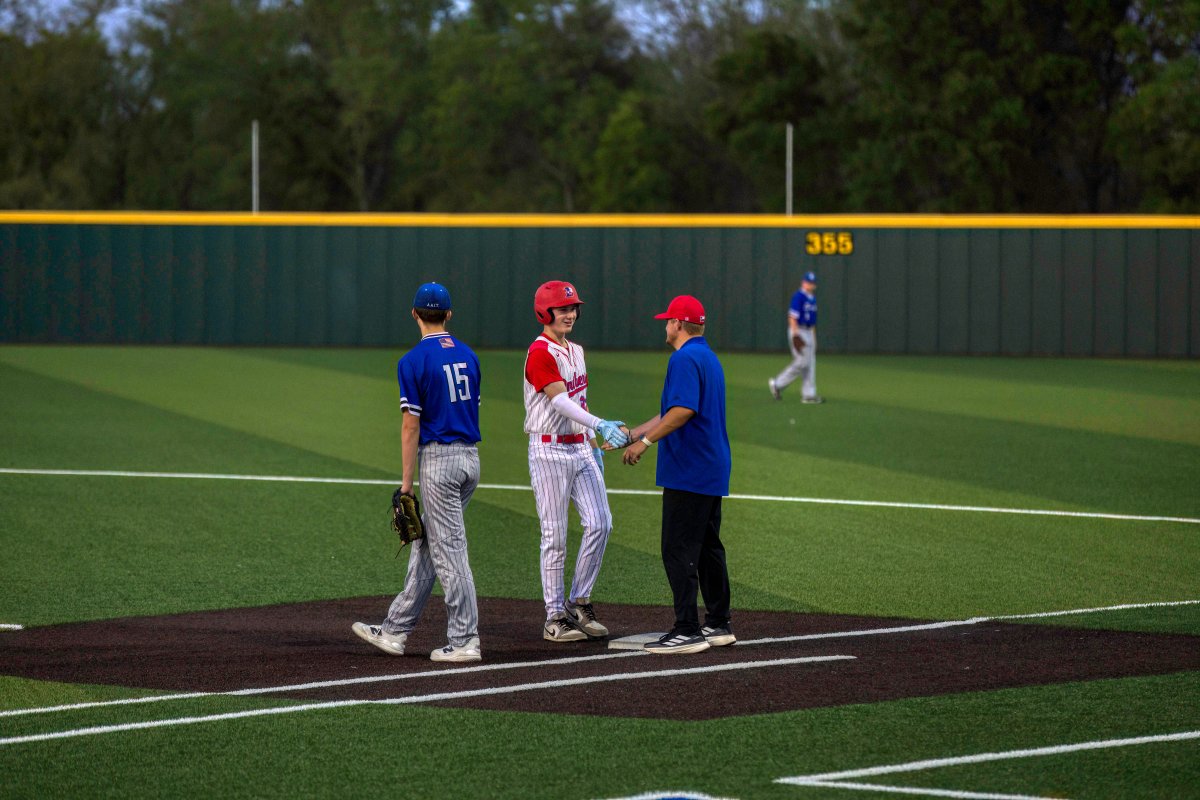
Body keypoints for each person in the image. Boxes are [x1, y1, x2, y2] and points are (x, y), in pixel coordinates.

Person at [352, 282, 484, 663]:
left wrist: (407, 484)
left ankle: (465, 640)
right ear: (449, 314)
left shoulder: (412, 361)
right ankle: (395, 629)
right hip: (470, 460)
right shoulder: (470, 356)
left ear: (414, 314)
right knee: (428, 544)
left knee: (450, 551)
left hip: (439, 463)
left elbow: (411, 425)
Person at [622, 295, 734, 655]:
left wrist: (646, 443)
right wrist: (634, 433)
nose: (666, 326)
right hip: (710, 467)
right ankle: (718, 623)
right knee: (708, 547)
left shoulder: (683, 358)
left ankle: (687, 629)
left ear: (678, 324)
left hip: (689, 469)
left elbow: (683, 410)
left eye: (668, 320)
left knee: (678, 548)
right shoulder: (707, 356)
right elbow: (674, 410)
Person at [524, 280, 630, 642]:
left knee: (601, 523)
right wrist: (599, 424)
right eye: (562, 309)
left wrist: (593, 443)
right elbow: (559, 401)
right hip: (549, 451)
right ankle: (554, 616)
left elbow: (579, 401)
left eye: (572, 308)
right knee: (554, 536)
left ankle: (579, 602)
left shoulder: (576, 351)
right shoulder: (539, 352)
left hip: (580, 447)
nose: (569, 314)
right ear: (545, 312)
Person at [769, 271, 823, 403]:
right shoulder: (798, 296)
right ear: (803, 282)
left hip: (809, 331)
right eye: (807, 282)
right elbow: (792, 317)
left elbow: (812, 322)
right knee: (802, 361)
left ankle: (808, 395)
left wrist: (814, 338)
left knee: (810, 362)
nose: (809, 284)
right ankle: (777, 384)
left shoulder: (812, 298)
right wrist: (795, 335)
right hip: (799, 330)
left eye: (812, 282)